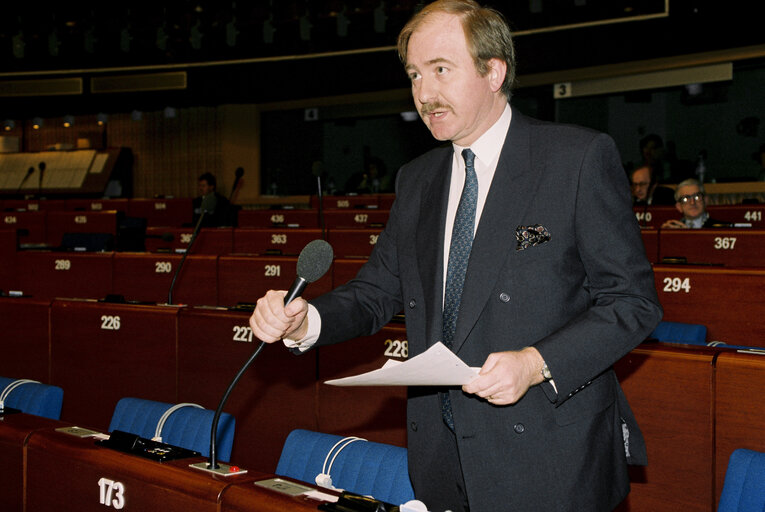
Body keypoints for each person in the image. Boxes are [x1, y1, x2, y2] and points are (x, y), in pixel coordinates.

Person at [249, 1, 662, 510]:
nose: (424, 93)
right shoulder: (417, 179)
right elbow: (377, 292)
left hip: (551, 456)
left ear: (494, 71)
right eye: (415, 75)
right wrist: (306, 321)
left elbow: (632, 303)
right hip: (442, 456)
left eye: (441, 70)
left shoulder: (575, 158)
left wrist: (536, 364)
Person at [661, 178, 726, 229]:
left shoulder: (721, 229)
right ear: (679, 206)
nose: (692, 202)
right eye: (686, 198)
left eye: (697, 197)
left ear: (705, 201)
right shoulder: (673, 229)